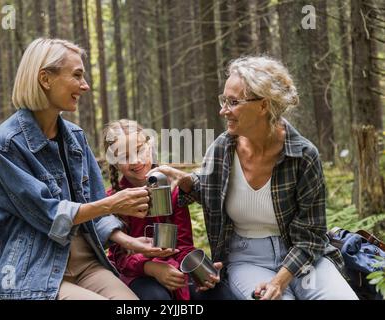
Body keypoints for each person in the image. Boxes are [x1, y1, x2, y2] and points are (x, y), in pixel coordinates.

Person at [148, 56, 358, 300]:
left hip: (303, 258)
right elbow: (209, 190)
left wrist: (279, 281)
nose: (223, 110)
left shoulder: (303, 155)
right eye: (223, 100)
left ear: (263, 105)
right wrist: (184, 181)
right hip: (247, 259)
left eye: (233, 102)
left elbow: (311, 235)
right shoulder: (222, 149)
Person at [0, 38, 162, 300]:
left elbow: (96, 205)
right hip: (34, 270)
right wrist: (113, 204)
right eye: (77, 75)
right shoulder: (7, 144)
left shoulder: (75, 137)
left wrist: (129, 242)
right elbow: (51, 215)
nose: (85, 86)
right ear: (45, 79)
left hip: (85, 263)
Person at [104, 120, 233, 300]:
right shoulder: (114, 199)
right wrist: (153, 268)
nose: (135, 160)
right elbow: (119, 257)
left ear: (150, 147)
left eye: (140, 149)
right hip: (136, 273)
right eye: (124, 157)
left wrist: (201, 269)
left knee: (219, 293)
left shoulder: (172, 189)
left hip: (175, 265)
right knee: (157, 297)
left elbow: (184, 244)